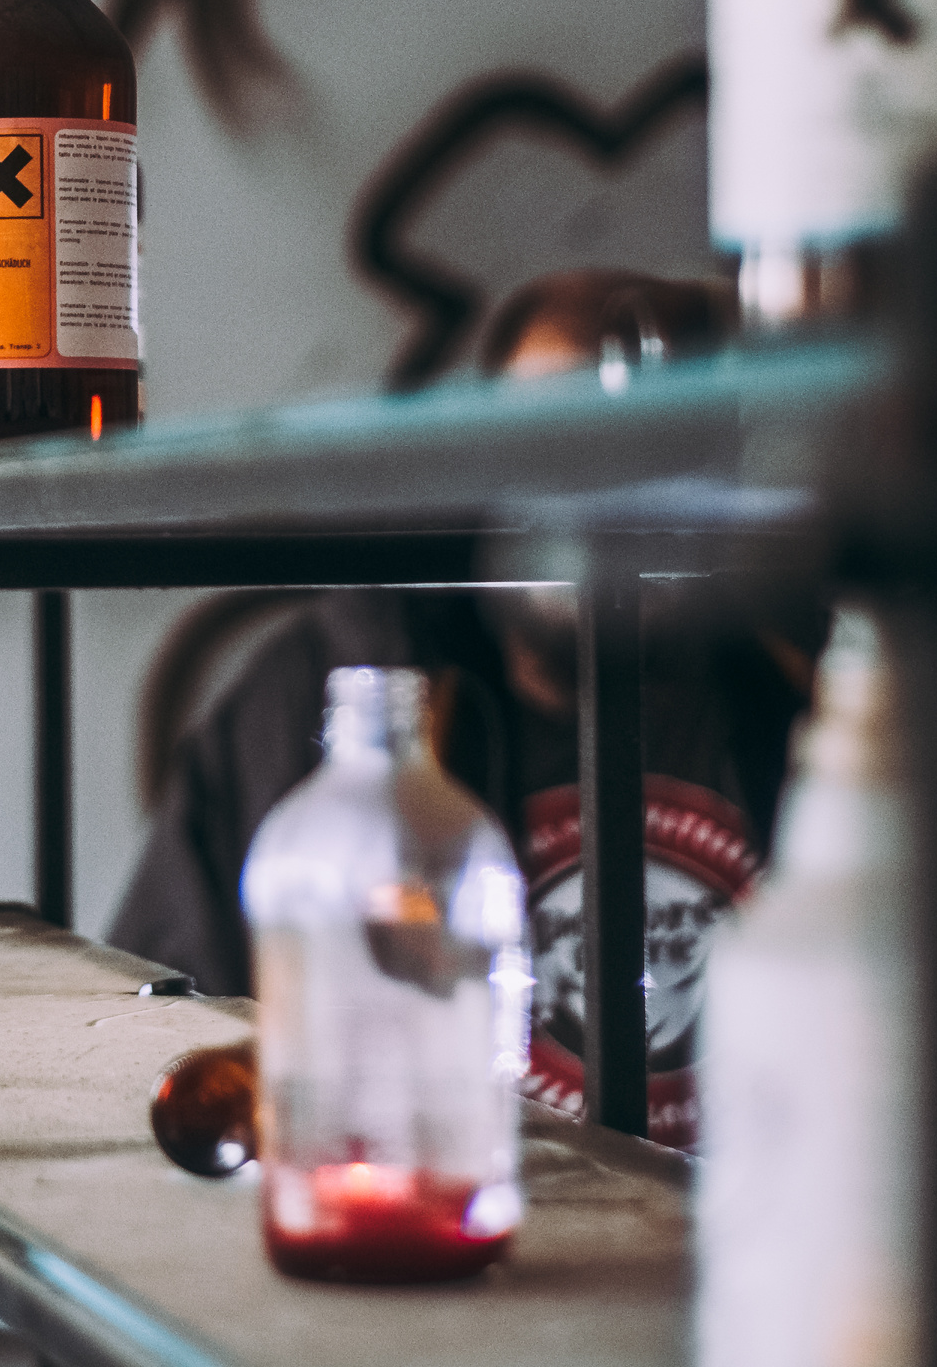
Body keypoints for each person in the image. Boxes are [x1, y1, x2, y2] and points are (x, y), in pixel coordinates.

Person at [105, 269, 821, 1147]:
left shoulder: (820, 697)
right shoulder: (330, 693)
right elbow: (166, 1028)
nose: (603, 504)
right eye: (555, 447)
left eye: (656, 450)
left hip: (760, 1250)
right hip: (447, 1240)